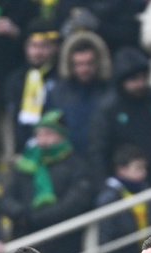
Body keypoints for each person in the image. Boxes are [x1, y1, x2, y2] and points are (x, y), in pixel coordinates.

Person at [0, 110, 94, 253]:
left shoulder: (76, 166)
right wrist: (21, 214)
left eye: (49, 134)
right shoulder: (25, 164)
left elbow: (75, 202)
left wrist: (38, 217)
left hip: (61, 246)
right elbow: (6, 198)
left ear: (62, 136)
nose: (43, 140)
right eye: (39, 134)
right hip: (24, 243)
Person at [90, 47, 151, 192]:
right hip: (130, 189)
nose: (140, 84)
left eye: (143, 77)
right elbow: (98, 151)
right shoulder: (109, 110)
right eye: (134, 79)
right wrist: (107, 186)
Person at [45, 27, 112, 158]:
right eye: (79, 64)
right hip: (68, 160)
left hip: (103, 158)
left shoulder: (110, 92)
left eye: (89, 63)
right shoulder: (57, 93)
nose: (84, 69)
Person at [4, 20, 61, 152]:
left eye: (44, 46)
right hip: (22, 147)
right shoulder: (16, 79)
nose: (37, 52)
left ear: (55, 48)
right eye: (33, 46)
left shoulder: (61, 78)